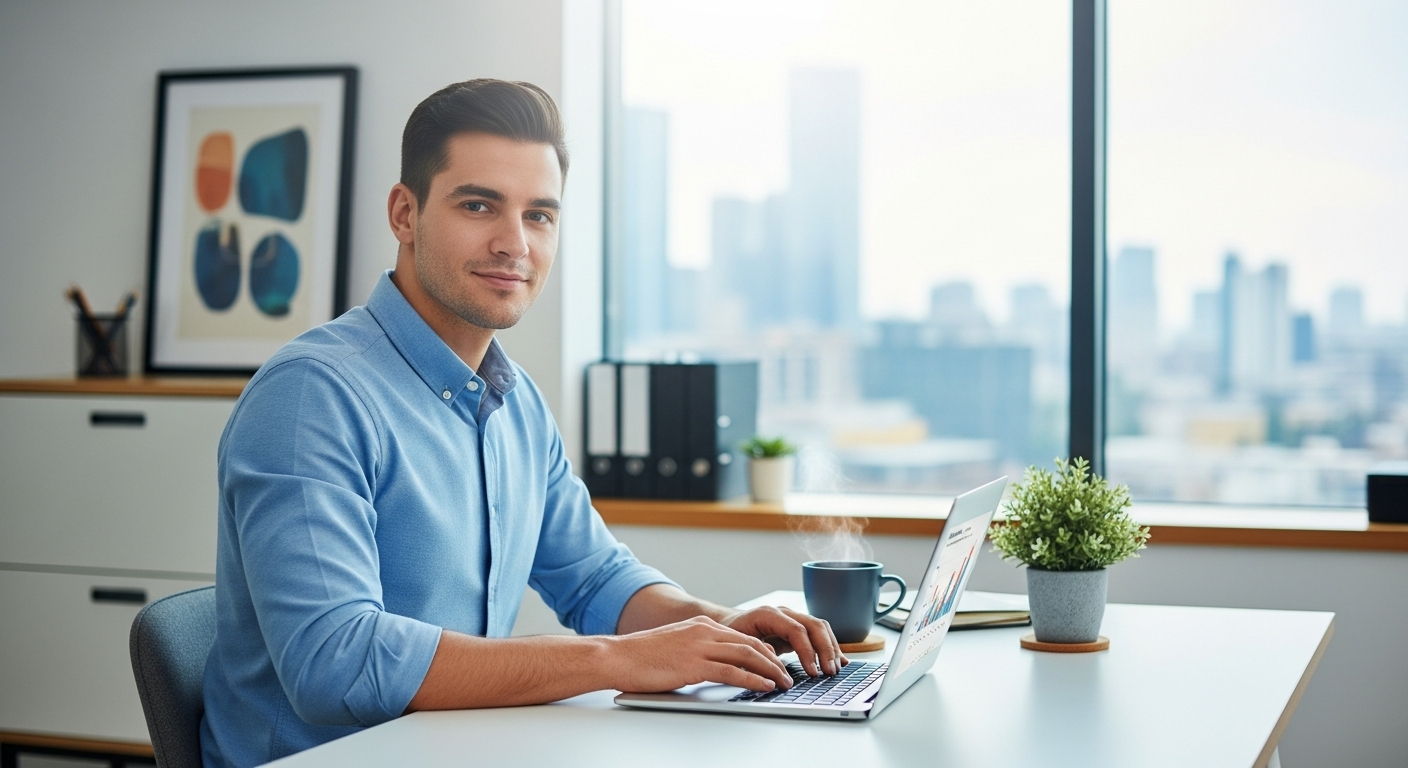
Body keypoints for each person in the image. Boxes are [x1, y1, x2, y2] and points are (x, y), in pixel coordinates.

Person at [200, 79, 845, 768]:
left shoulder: (517, 402)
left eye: (539, 215)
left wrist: (716, 625)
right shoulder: (311, 397)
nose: (515, 243)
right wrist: (620, 660)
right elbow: (336, 664)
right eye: (479, 205)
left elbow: (595, 578)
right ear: (404, 214)